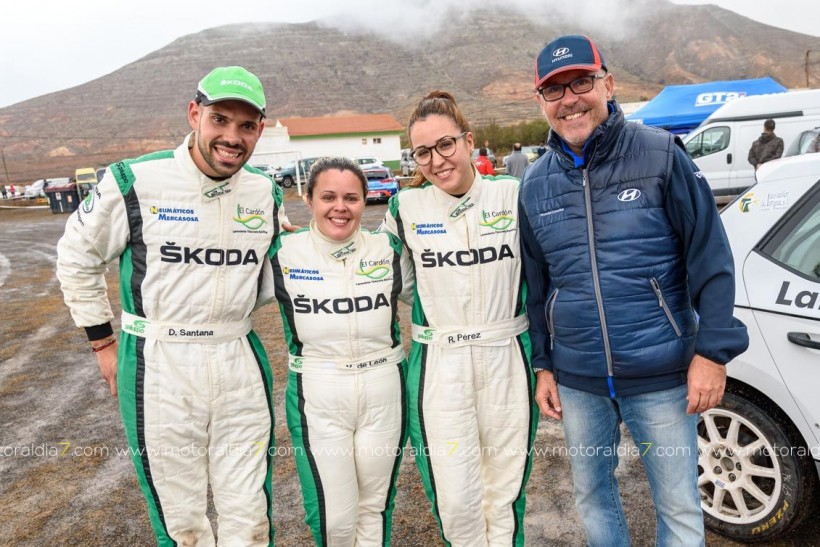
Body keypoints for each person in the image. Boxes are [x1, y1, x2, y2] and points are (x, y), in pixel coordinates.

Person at [519, 35, 749, 546]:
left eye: (581, 82)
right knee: (592, 495)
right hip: (579, 381)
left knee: (679, 507)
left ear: (608, 83)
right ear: (541, 101)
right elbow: (537, 287)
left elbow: (711, 257)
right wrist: (543, 364)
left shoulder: (661, 155)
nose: (569, 99)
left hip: (662, 374)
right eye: (553, 90)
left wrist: (712, 352)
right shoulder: (534, 184)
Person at [56, 66, 289, 546]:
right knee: (181, 520)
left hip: (236, 354)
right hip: (158, 362)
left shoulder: (265, 192)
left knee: (250, 516)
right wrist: (102, 343)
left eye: (247, 126)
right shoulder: (134, 180)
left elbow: (280, 271)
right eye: (220, 119)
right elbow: (76, 256)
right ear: (194, 114)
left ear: (260, 130)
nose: (232, 137)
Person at [381, 91, 537, 546]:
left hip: (507, 353)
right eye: (423, 152)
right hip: (440, 364)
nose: (436, 159)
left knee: (504, 491)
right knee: (456, 499)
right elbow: (395, 281)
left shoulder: (512, 194)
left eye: (445, 145)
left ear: (468, 142)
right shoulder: (405, 209)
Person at [264, 157, 413, 546]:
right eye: (328, 196)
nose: (340, 207)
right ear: (308, 199)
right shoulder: (283, 253)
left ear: (366, 202)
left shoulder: (389, 249)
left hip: (384, 388)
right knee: (335, 516)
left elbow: (433, 294)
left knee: (374, 505)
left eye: (351, 198)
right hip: (319, 391)